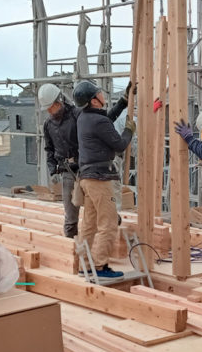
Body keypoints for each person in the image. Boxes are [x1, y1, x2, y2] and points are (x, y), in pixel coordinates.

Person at [74, 79, 133, 279]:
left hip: (87, 178)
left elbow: (107, 119)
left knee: (89, 225)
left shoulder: (84, 117)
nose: (102, 94)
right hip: (100, 179)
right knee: (108, 223)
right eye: (98, 93)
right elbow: (120, 144)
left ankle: (84, 265)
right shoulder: (98, 122)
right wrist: (129, 131)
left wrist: (124, 101)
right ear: (94, 101)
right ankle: (100, 267)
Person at [38, 83, 82, 238]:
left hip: (85, 168)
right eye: (48, 109)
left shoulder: (77, 115)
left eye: (52, 107)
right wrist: (53, 170)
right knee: (70, 214)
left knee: (95, 208)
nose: (50, 111)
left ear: (60, 101)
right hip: (67, 170)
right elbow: (49, 149)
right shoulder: (48, 124)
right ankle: (70, 245)